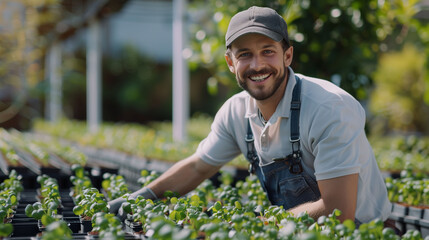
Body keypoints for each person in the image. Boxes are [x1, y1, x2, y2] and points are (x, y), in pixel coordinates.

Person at [109, 6, 392, 225]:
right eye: (245, 55)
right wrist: (140, 197)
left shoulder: (329, 109)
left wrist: (255, 226)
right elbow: (198, 167)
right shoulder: (236, 112)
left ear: (288, 56)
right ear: (231, 63)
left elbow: (338, 211)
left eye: (268, 52)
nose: (257, 65)